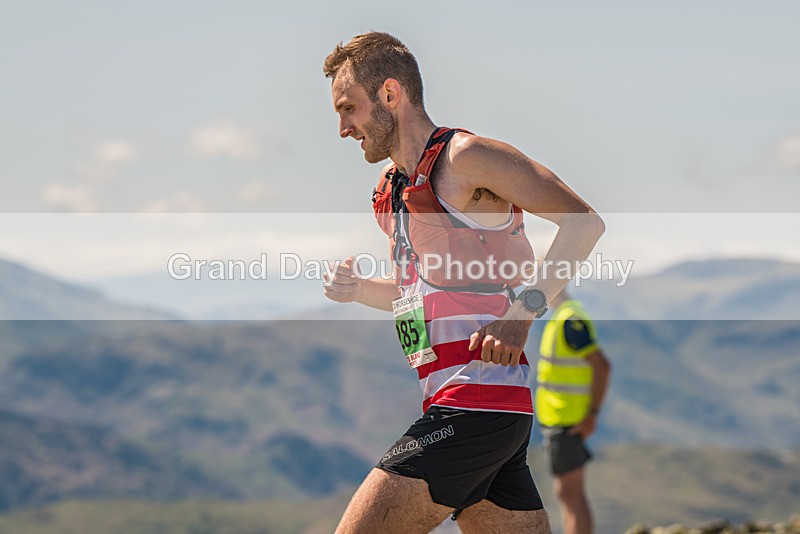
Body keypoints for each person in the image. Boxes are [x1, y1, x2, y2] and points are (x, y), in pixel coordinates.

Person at [321, 32, 605, 534]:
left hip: (473, 407)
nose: (343, 128)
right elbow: (418, 295)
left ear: (390, 94)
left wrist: (521, 316)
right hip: (480, 409)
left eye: (349, 109)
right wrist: (359, 289)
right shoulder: (390, 193)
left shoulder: (466, 158)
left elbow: (583, 224)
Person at [536, 290, 611, 534]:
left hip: (567, 420)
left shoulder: (569, 319)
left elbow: (602, 366)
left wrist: (592, 414)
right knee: (570, 495)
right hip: (564, 418)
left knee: (570, 496)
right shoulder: (565, 315)